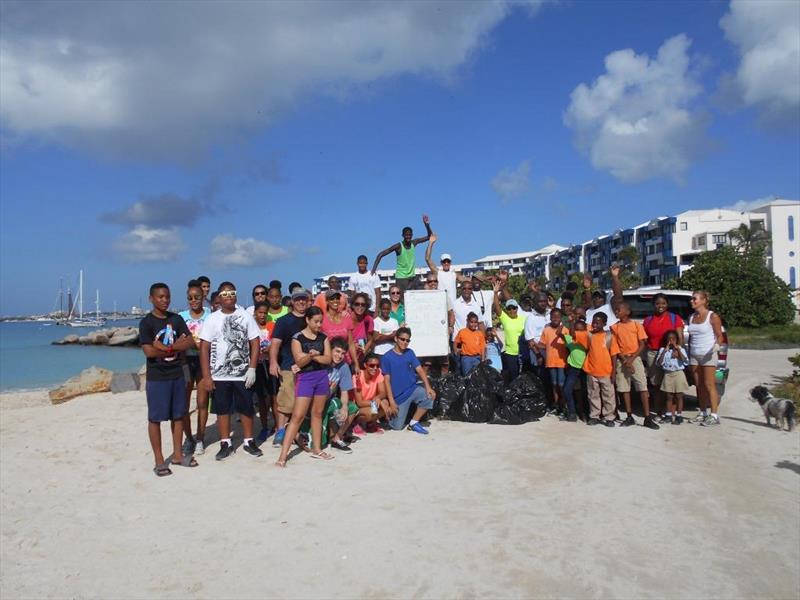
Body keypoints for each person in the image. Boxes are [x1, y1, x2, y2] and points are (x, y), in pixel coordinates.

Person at [199, 282, 263, 460]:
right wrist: (207, 376)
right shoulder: (212, 318)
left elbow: (255, 341)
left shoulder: (245, 316)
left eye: (232, 293)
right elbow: (204, 347)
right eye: (224, 294)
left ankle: (249, 441)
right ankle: (225, 442)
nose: (228, 296)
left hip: (243, 373)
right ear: (219, 297)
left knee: (246, 407)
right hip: (219, 374)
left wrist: (252, 368)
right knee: (222, 409)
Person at [139, 283, 197, 476]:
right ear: (151, 299)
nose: (164, 300)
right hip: (157, 377)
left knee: (178, 415)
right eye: (160, 297)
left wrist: (164, 348)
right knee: (155, 418)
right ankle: (158, 460)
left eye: (167, 297)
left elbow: (190, 341)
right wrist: (174, 346)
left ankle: (178, 455)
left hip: (177, 374)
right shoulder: (147, 323)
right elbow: (148, 351)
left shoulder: (176, 318)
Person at [275, 306, 333, 466]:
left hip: (321, 376)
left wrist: (314, 357)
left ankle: (317, 449)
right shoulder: (297, 338)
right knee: (297, 416)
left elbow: (328, 359)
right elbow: (299, 361)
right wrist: (311, 356)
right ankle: (283, 456)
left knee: (317, 413)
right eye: (316, 321)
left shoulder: (324, 337)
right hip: (305, 378)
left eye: (321, 321)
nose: (319, 325)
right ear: (307, 320)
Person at [268, 289, 310, 447]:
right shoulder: (284, 321)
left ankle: (297, 431)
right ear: (292, 301)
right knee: (287, 401)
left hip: (309, 367)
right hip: (288, 366)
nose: (301, 302)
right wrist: (273, 362)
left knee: (304, 401)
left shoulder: (311, 318)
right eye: (298, 299)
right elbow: (275, 343)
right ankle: (280, 431)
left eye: (304, 299)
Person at [610, 302, 659, 430]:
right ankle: (629, 415)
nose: (616, 312)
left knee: (642, 387)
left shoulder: (636, 325)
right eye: (615, 311)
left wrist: (631, 360)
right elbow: (615, 346)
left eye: (619, 310)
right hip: (623, 360)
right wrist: (625, 360)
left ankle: (647, 417)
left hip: (635, 358)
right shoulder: (615, 327)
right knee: (624, 388)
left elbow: (642, 344)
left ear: (627, 311)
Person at [380, 327, 437, 434]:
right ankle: (386, 407)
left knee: (429, 396)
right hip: (399, 396)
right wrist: (391, 402)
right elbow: (387, 381)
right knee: (397, 427)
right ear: (396, 339)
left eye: (407, 340)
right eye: (402, 339)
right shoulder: (386, 357)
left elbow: (420, 370)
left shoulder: (410, 353)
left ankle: (414, 423)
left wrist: (428, 387)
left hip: (412, 389)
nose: (405, 342)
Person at [178, 280, 211, 455]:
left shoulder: (210, 314)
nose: (194, 301)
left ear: (202, 297)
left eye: (197, 297)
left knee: (202, 402)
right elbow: (179, 341)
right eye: (190, 298)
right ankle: (188, 438)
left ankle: (200, 438)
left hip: (204, 362)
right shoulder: (181, 317)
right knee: (183, 403)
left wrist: (196, 344)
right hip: (186, 362)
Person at [642, 294, 686, 419]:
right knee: (656, 384)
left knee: (671, 385)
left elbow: (680, 336)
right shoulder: (648, 320)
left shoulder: (674, 318)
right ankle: (659, 411)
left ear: (667, 304)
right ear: (653, 305)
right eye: (657, 303)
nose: (660, 306)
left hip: (671, 354)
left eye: (663, 303)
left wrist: (678, 350)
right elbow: (644, 339)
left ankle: (672, 412)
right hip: (654, 353)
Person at [687, 290, 725, 427]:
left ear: (703, 300)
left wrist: (716, 346)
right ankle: (703, 412)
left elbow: (719, 335)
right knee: (699, 385)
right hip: (694, 355)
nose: (692, 301)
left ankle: (714, 415)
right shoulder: (691, 317)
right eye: (692, 299)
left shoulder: (712, 316)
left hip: (708, 354)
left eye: (694, 299)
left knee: (710, 384)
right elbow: (691, 336)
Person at [371, 214, 433, 291]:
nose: (408, 237)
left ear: (412, 235)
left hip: (412, 277)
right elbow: (381, 254)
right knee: (403, 300)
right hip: (401, 278)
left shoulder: (414, 243)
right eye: (406, 235)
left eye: (410, 235)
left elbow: (429, 236)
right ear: (403, 235)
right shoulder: (398, 246)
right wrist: (373, 269)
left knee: (423, 290)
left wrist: (427, 225)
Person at [582, 313, 616, 427]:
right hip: (592, 370)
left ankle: (609, 417)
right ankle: (594, 416)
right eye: (593, 322)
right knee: (593, 395)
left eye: (598, 322)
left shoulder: (609, 336)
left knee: (608, 396)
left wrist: (613, 371)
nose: (595, 324)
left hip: (606, 371)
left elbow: (614, 355)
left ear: (604, 324)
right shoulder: (590, 335)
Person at [325, 337, 357, 452]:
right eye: (337, 351)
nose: (340, 356)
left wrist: (344, 407)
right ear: (330, 350)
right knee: (319, 443)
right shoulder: (323, 362)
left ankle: (337, 438)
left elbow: (344, 391)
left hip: (331, 401)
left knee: (352, 407)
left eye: (343, 353)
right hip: (316, 403)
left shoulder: (343, 367)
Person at [491, 282, 527, 386]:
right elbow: (497, 308)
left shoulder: (524, 318)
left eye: (514, 308)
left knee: (524, 378)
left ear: (517, 308)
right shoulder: (505, 319)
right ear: (507, 310)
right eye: (509, 308)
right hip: (511, 354)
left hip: (523, 354)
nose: (512, 310)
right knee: (514, 378)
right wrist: (495, 293)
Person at [252, 302, 275, 445]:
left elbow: (275, 341)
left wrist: (270, 349)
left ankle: (278, 427)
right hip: (257, 365)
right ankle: (264, 426)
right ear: (255, 313)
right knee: (261, 398)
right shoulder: (251, 326)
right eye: (260, 312)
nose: (262, 315)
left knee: (274, 396)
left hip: (270, 363)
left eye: (265, 312)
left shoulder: (272, 325)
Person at [538, 308, 569, 414]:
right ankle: (556, 405)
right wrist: (537, 346)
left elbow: (569, 344)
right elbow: (542, 344)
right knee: (554, 384)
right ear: (550, 317)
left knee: (561, 384)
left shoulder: (565, 330)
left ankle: (563, 404)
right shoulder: (546, 330)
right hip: (551, 362)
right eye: (553, 317)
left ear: (561, 318)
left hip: (562, 362)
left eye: (558, 317)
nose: (555, 319)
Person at [424, 232, 468, 308]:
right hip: (440, 305)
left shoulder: (454, 274)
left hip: (453, 307)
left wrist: (485, 278)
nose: (446, 263)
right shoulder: (438, 272)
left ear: (451, 262)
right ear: (441, 262)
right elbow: (427, 259)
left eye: (448, 261)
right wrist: (431, 242)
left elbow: (468, 280)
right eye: (444, 261)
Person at [656, 330, 690, 425]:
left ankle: (679, 415)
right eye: (669, 339)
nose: (671, 341)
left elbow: (685, 361)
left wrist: (678, 351)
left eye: (673, 339)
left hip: (678, 373)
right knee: (669, 396)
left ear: (676, 340)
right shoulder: (663, 350)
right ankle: (668, 414)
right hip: (668, 374)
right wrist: (664, 352)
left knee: (679, 395)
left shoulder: (681, 349)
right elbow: (659, 363)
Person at [352, 353, 389, 433]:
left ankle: (370, 424)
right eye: (372, 365)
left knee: (385, 402)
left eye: (377, 365)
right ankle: (355, 423)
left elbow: (383, 392)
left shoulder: (378, 372)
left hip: (369, 403)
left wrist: (377, 398)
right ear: (365, 365)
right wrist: (376, 403)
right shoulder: (358, 376)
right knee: (372, 411)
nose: (375, 368)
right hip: (357, 408)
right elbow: (359, 403)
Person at [561, 317, 588, 422]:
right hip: (573, 369)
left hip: (585, 369)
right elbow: (561, 334)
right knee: (567, 390)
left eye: (581, 330)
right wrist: (571, 322)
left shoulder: (587, 339)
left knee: (585, 392)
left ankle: (584, 413)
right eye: (576, 330)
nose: (578, 332)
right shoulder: (571, 340)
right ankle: (572, 412)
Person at [321, 290, 357, 367]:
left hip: (345, 362)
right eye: (332, 299)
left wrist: (356, 363)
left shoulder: (346, 317)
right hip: (329, 364)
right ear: (327, 301)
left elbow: (351, 343)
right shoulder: (322, 319)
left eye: (337, 298)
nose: (335, 301)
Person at [523, 292, 550, 379]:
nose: (543, 303)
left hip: (552, 357)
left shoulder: (551, 314)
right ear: (534, 303)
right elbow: (530, 341)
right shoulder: (530, 318)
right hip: (539, 358)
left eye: (545, 301)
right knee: (541, 383)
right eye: (540, 301)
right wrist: (538, 355)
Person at [350, 292, 374, 370]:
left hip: (361, 359)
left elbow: (370, 340)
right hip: (347, 359)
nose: (360, 306)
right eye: (357, 304)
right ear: (353, 305)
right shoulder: (347, 318)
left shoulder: (368, 320)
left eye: (363, 304)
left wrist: (364, 351)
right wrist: (353, 346)